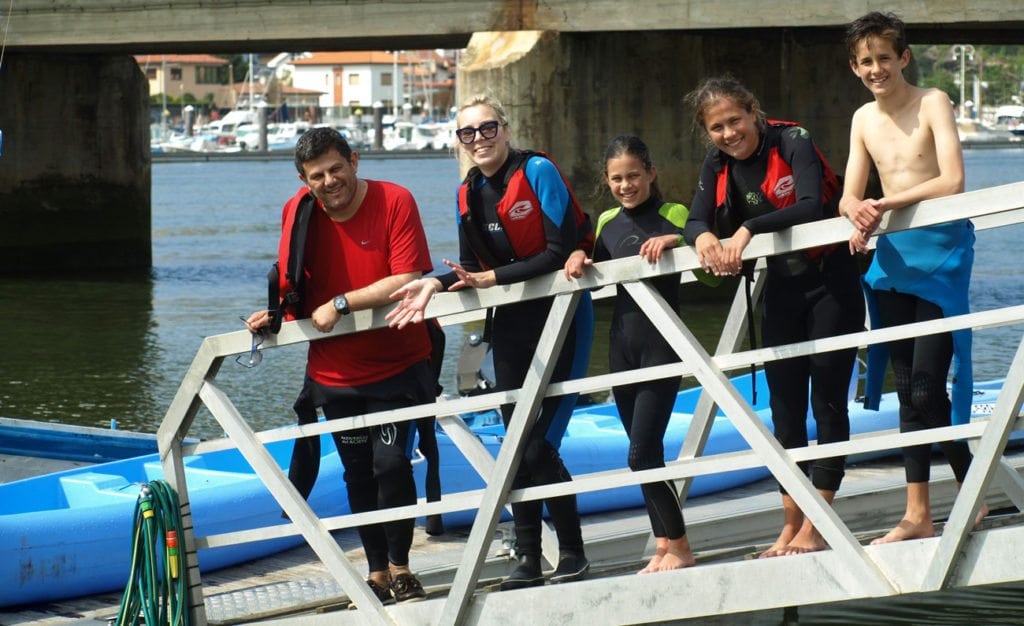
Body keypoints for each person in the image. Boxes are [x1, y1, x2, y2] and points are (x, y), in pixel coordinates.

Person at [387, 94, 595, 589]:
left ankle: (573, 553)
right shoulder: (467, 193)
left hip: (563, 319)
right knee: (515, 444)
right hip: (513, 328)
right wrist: (435, 282)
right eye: (467, 133)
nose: (478, 139)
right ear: (458, 140)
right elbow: (471, 272)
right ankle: (527, 558)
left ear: (505, 129)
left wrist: (492, 277)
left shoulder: (538, 170)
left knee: (540, 444)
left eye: (487, 129)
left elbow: (557, 251)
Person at [244, 127, 432, 604]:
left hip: (396, 366)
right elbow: (296, 287)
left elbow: (409, 277)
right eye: (316, 176)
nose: (329, 182)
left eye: (335, 169)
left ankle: (402, 568)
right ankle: (375, 574)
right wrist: (275, 316)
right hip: (334, 376)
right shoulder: (297, 212)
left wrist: (343, 303)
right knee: (357, 472)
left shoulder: (395, 200)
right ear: (304, 181)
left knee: (391, 465)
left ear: (355, 160)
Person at [682, 77, 865, 557]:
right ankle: (792, 522)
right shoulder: (717, 162)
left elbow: (807, 207)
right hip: (783, 289)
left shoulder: (793, 139)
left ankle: (818, 523)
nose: (728, 134)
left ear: (754, 113)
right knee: (784, 410)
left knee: (827, 402)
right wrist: (701, 238)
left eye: (734, 121)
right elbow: (695, 218)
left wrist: (745, 229)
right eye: (717, 127)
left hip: (831, 283)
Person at [841, 11, 987, 544]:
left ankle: (971, 496)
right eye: (865, 62)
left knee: (928, 384)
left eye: (884, 57)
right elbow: (848, 193)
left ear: (903, 57)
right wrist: (855, 210)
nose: (876, 69)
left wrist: (881, 204)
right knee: (910, 389)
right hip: (893, 258)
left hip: (942, 252)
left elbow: (952, 180)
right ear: (854, 68)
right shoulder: (862, 119)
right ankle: (919, 512)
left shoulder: (933, 100)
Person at [564, 135, 707, 573]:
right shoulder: (607, 220)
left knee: (642, 453)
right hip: (621, 347)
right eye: (616, 179)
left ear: (651, 173)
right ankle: (664, 544)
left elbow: (700, 248)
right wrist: (576, 255)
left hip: (662, 347)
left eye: (633, 176)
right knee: (641, 452)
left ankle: (680, 546)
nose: (625, 185)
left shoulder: (673, 214)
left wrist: (674, 242)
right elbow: (592, 259)